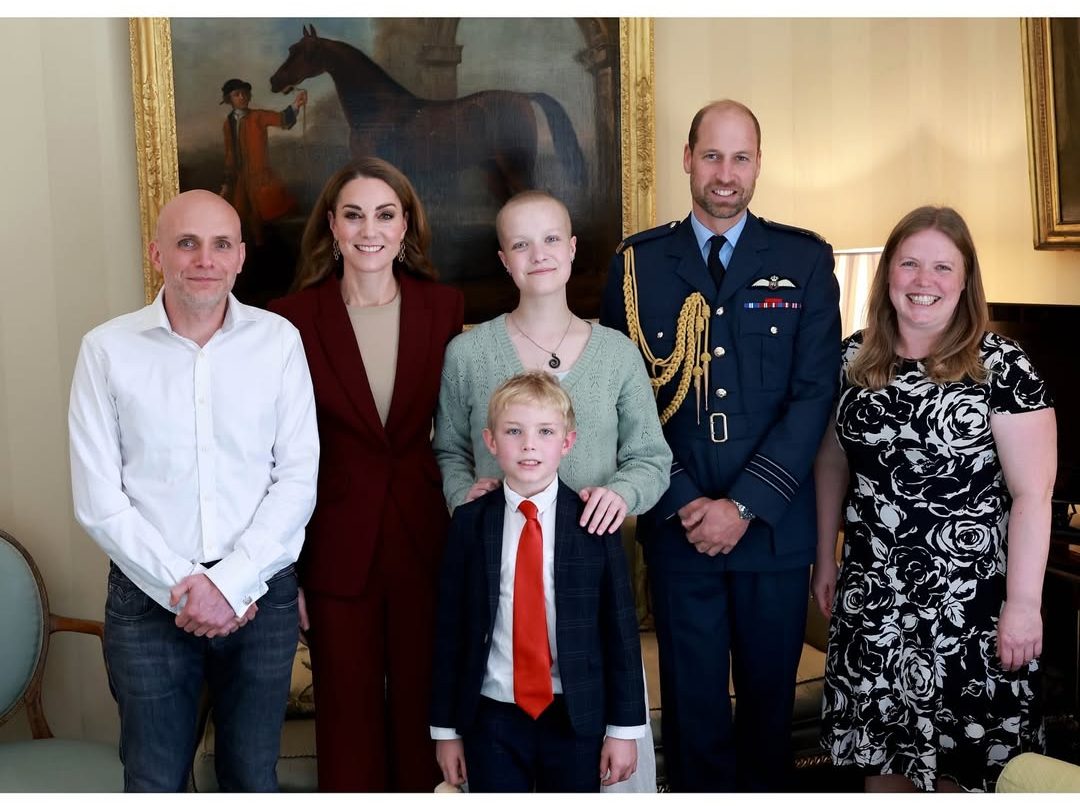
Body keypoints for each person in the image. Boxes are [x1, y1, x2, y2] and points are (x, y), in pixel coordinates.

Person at [600, 99, 842, 791]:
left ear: (758, 164)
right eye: (712, 155)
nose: (725, 173)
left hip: (771, 533)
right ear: (686, 158)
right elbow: (628, 399)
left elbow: (812, 398)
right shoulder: (636, 266)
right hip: (680, 533)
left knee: (769, 717)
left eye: (741, 158)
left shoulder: (802, 258)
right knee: (693, 714)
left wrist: (743, 505)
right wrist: (685, 502)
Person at [68, 189, 319, 791]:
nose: (204, 259)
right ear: (158, 253)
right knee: (154, 779)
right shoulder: (106, 350)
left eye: (220, 245)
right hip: (147, 600)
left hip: (260, 597)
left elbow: (298, 478)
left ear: (239, 259)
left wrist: (230, 584)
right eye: (187, 243)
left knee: (253, 779)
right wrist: (188, 591)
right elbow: (99, 499)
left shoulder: (278, 341)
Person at [812, 206, 1057, 792]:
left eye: (943, 267)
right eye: (911, 264)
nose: (924, 281)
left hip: (971, 607)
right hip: (874, 599)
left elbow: (1033, 495)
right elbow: (831, 461)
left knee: (963, 775)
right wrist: (826, 556)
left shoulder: (1003, 366)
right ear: (888, 274)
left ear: (966, 280)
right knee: (883, 766)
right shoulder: (850, 359)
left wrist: (1023, 604)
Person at [433, 189, 670, 792]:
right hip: (503, 563)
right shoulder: (467, 353)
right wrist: (466, 495)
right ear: (504, 259)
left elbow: (650, 456)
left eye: (549, 240)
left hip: (587, 578)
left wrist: (620, 494)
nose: (537, 254)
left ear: (571, 249)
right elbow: (450, 448)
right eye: (520, 243)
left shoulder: (616, 353)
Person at [268, 157, 464, 791]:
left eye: (385, 214)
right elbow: (276, 453)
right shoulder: (291, 319)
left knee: (422, 719)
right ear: (333, 226)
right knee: (346, 728)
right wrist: (286, 571)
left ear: (406, 225)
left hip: (424, 540)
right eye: (354, 215)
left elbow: (461, 430)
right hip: (332, 548)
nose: (369, 229)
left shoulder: (444, 307)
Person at [430, 371, 647, 792]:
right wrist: (446, 731)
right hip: (490, 713)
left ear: (567, 442)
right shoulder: (470, 524)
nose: (529, 444)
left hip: (574, 715)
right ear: (491, 441)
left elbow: (620, 632)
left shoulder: (594, 524)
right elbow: (449, 633)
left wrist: (624, 730)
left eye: (545, 431)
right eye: (514, 431)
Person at [219, 78, 307, 247]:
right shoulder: (227, 124)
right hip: (239, 179)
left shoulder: (258, 116)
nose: (242, 97)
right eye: (237, 94)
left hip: (260, 176)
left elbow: (282, 119)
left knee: (270, 212)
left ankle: (266, 249)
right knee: (241, 216)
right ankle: (247, 253)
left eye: (245, 94)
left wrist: (296, 104)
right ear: (229, 99)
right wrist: (226, 183)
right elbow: (230, 154)